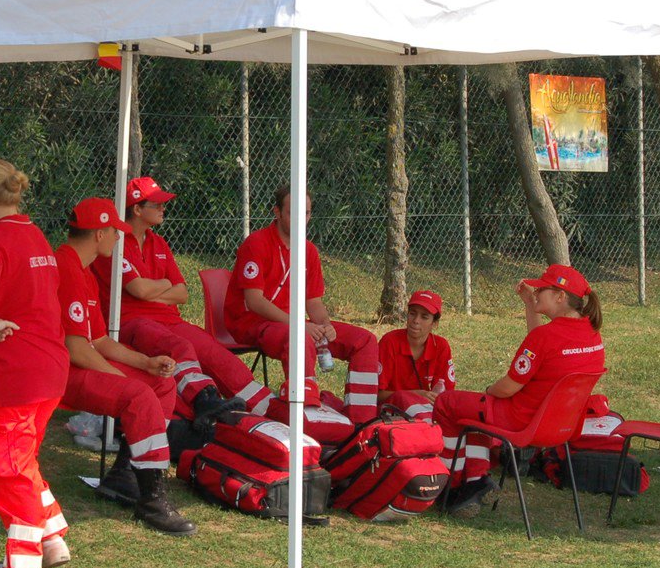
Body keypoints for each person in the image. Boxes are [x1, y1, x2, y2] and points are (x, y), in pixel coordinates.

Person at [55, 196, 196, 535]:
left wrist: (145, 363)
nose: (120, 238)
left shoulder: (83, 269)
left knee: (161, 383)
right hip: (56, 371)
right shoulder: (67, 267)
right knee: (138, 395)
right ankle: (152, 501)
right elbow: (75, 349)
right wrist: (121, 379)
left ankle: (126, 473)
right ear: (99, 234)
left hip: (78, 362)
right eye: (115, 232)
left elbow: (100, 341)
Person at [0, 160, 70, 568]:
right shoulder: (33, 233)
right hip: (49, 368)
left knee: (5, 465)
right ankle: (50, 538)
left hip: (15, 373)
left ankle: (24, 566)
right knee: (22, 457)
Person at [91, 176, 270, 423]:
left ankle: (268, 411)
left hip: (169, 320)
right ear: (137, 209)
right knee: (180, 347)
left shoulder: (159, 242)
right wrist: (163, 286)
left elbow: (182, 293)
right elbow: (139, 289)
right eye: (157, 205)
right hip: (131, 323)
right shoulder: (116, 243)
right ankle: (204, 400)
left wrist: (154, 290)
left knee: (216, 354)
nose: (164, 209)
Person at [433, 264, 605, 517]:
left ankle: (452, 484)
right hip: (559, 426)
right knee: (474, 412)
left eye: (541, 288)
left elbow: (507, 388)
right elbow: (546, 345)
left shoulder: (545, 338)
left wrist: (489, 390)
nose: (535, 292)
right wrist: (529, 303)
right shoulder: (592, 334)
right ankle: (477, 481)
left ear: (560, 296)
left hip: (520, 419)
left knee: (448, 403)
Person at [225, 186, 382, 425]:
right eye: (293, 213)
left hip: (291, 322)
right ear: (276, 212)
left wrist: (325, 324)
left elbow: (313, 302)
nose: (301, 219)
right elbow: (254, 301)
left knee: (364, 341)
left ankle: (362, 423)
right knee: (301, 339)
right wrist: (301, 326)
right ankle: (307, 418)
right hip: (251, 323)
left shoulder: (309, 250)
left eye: (306, 213)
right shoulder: (256, 243)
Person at [377, 289, 456, 419]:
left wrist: (424, 397)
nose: (416, 320)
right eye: (412, 313)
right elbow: (376, 395)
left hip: (423, 411)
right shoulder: (389, 342)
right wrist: (414, 394)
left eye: (424, 316)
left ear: (434, 323)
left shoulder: (441, 346)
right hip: (390, 413)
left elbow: (445, 396)